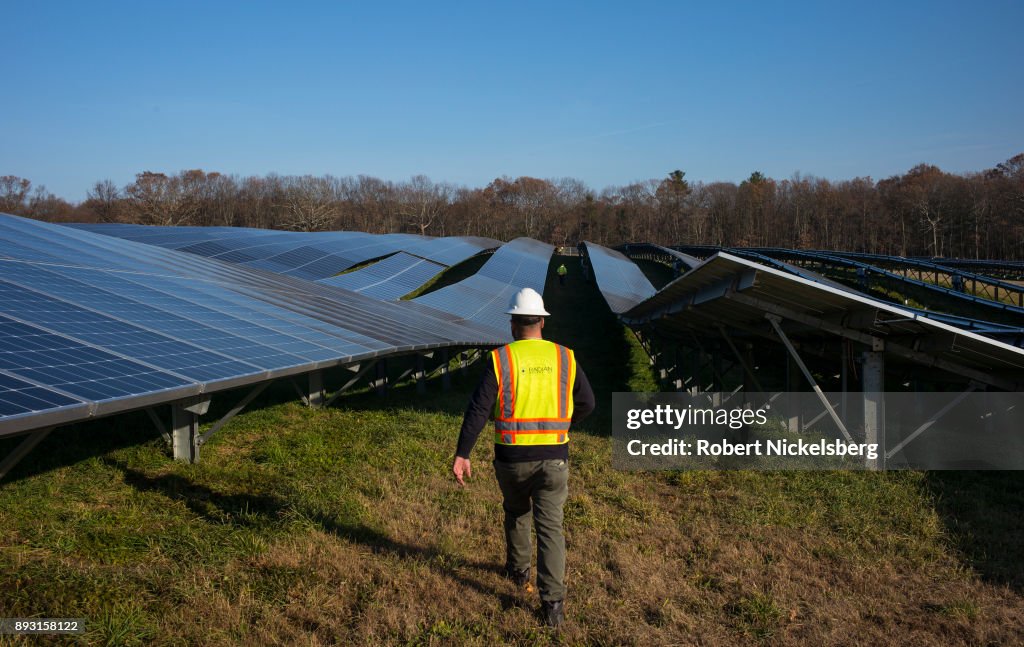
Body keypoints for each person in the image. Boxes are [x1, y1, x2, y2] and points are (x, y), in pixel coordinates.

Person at [452, 287, 595, 628]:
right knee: (551, 529)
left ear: (513, 324)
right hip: (554, 460)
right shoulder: (566, 357)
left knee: (517, 511)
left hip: (512, 459)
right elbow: (588, 403)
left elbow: (478, 410)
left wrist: (463, 453)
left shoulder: (501, 359)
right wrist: (562, 425)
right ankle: (553, 605)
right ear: (542, 322)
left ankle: (518, 571)